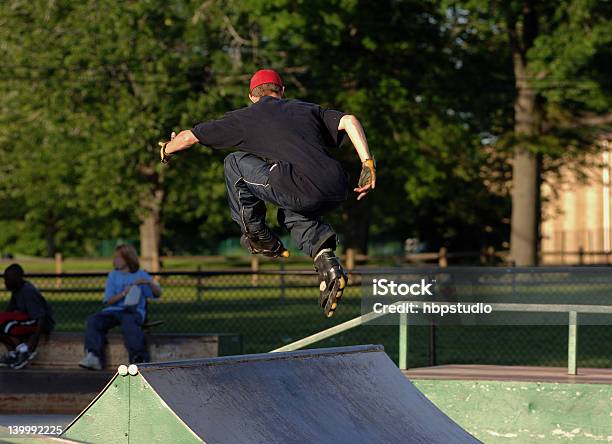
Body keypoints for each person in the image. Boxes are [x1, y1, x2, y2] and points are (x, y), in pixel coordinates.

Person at [158, 69, 375, 317]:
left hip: (297, 184)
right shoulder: (306, 108)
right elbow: (349, 120)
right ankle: (328, 265)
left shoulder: (244, 118)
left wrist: (167, 149)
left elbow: (188, 137)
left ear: (252, 96)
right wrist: (367, 163)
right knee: (292, 208)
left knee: (234, 163)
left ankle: (256, 234)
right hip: (336, 184)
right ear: (282, 91)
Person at [79, 244, 162, 370]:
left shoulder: (140, 274)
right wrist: (124, 293)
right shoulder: (113, 275)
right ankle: (93, 356)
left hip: (133, 311)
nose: (115, 260)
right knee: (94, 320)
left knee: (129, 322)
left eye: (119, 258)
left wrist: (149, 283)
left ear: (128, 258)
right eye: (115, 257)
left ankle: (138, 359)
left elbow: (157, 294)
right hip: (114, 311)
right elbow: (109, 301)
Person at [0, 264, 55, 369]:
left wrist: (34, 340)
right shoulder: (16, 291)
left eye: (8, 280)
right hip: (25, 320)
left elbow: (41, 316)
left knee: (5, 324)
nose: (5, 283)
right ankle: (14, 353)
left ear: (17, 279)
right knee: (2, 322)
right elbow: (9, 311)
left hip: (37, 322)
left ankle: (24, 351)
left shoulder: (28, 291)